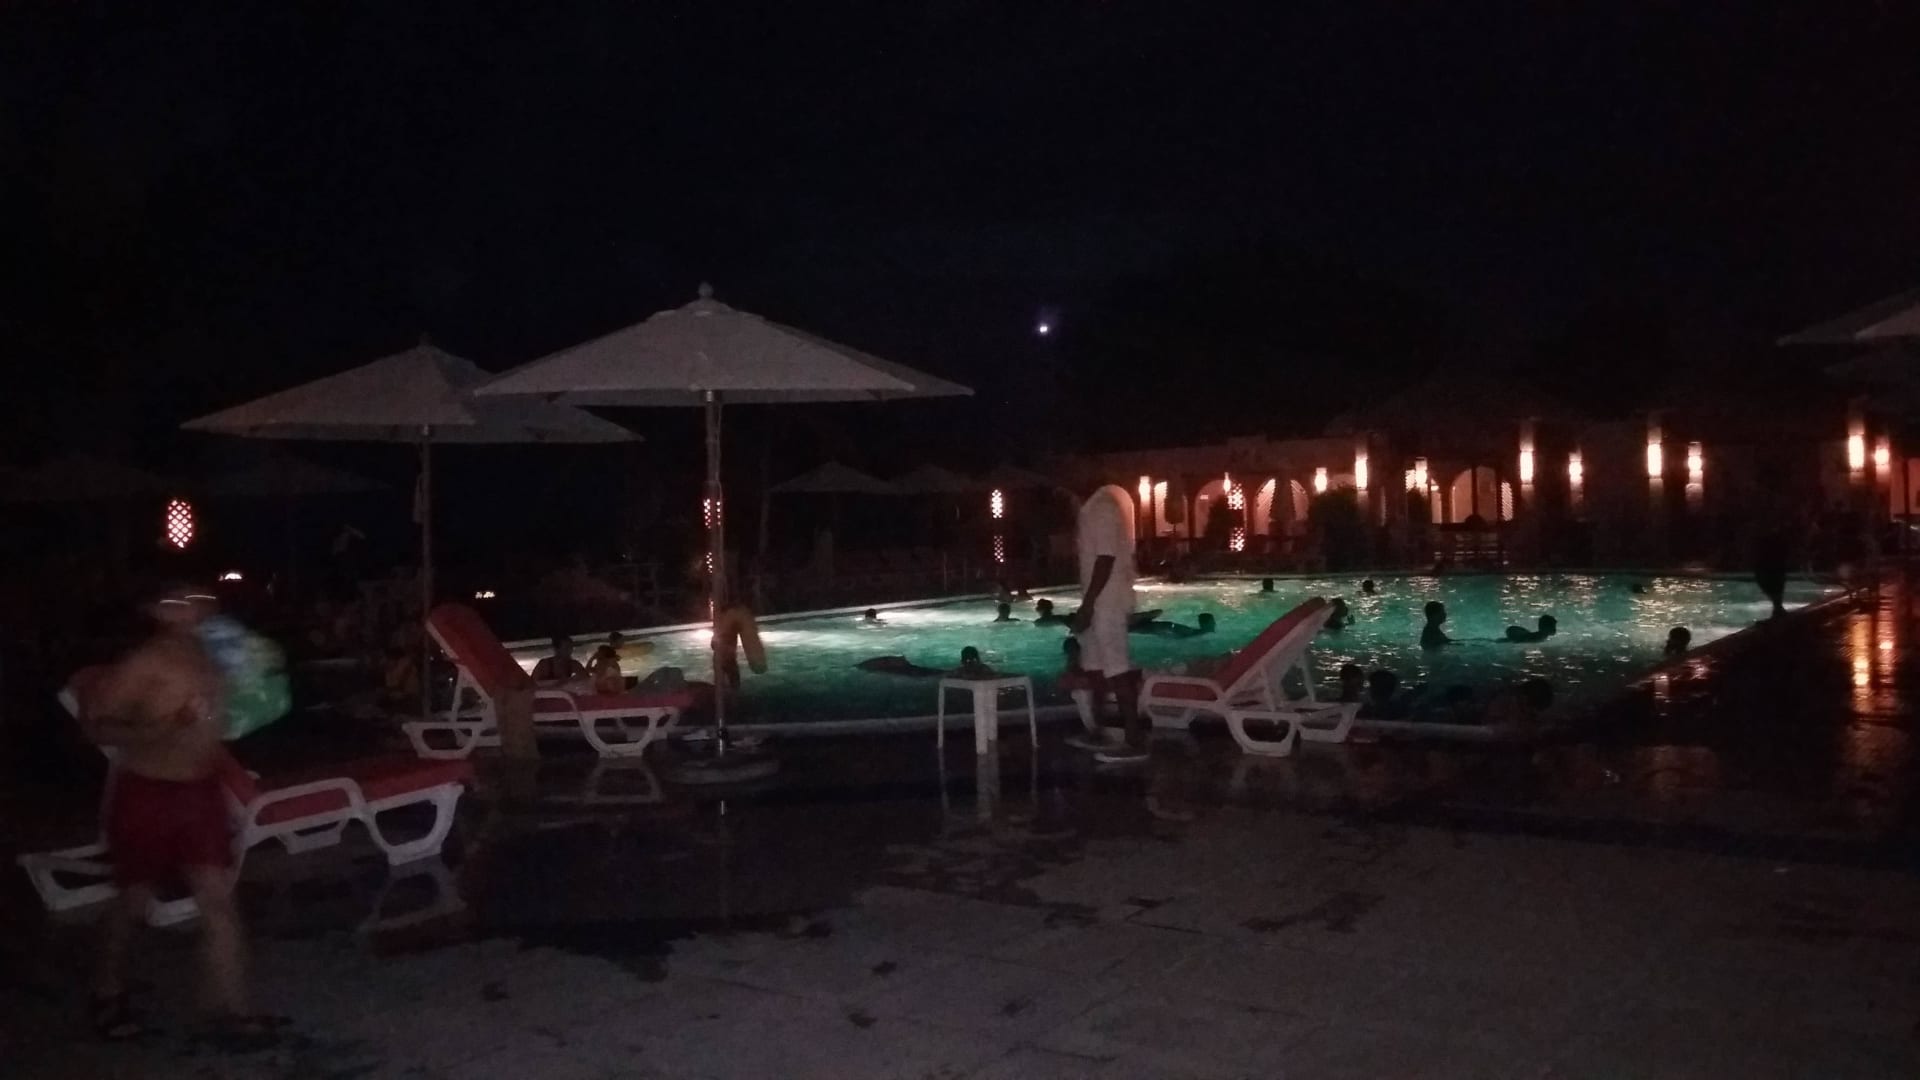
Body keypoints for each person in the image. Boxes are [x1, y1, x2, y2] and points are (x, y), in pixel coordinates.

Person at [81, 584, 269, 1045]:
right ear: (157, 610)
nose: (194, 610)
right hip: (148, 792)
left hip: (200, 792)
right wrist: (160, 728)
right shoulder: (145, 661)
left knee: (218, 900)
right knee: (133, 899)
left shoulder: (216, 654)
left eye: (199, 600)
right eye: (180, 603)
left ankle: (229, 1009)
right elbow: (97, 724)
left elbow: (241, 709)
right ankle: (106, 991)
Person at [1071, 485, 1145, 762]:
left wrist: (1089, 604)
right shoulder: (1090, 507)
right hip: (1096, 602)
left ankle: (1134, 740)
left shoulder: (1103, 507)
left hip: (1107, 602)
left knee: (1117, 669)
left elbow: (1105, 559)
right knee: (1094, 667)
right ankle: (1097, 730)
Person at [1754, 528, 1790, 618]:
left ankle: (1778, 607)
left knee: (1773, 581)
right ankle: (1778, 607)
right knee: (1773, 582)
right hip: (1768, 561)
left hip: (1770, 560)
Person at [1131, 612, 1215, 638]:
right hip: (1166, 628)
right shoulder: (1192, 633)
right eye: (1212, 621)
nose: (1214, 623)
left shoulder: (1193, 632)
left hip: (1167, 628)